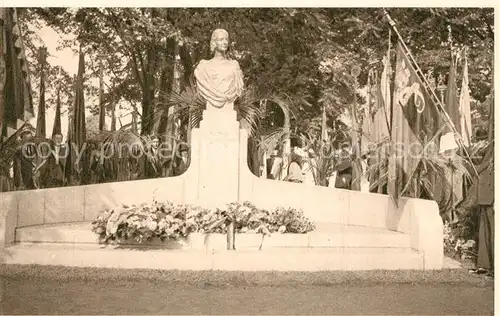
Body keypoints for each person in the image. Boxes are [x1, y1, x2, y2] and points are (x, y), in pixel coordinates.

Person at [194, 28, 244, 111]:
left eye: (226, 39)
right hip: (211, 110)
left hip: (228, 109)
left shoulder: (234, 66)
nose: (224, 42)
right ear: (214, 42)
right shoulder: (203, 67)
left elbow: (239, 87)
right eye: (221, 39)